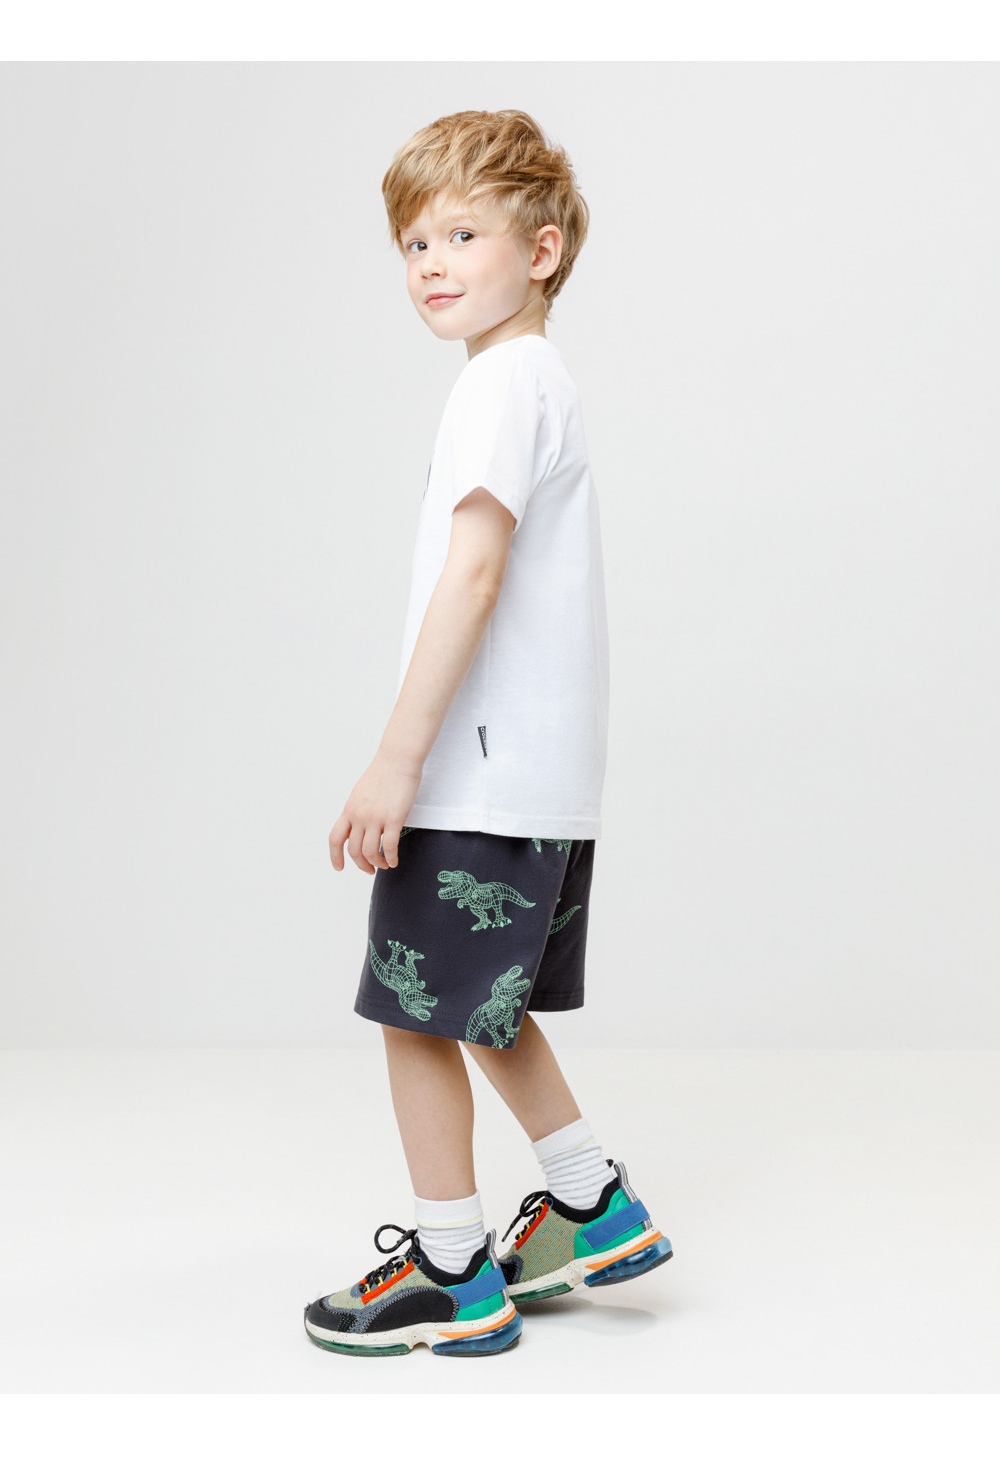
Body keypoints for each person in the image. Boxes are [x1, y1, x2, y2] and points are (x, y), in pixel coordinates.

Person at [303, 109, 672, 1358]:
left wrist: (394, 761)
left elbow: (472, 576)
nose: (430, 264)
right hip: (535, 774)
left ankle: (451, 1271)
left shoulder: (498, 385)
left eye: (462, 235)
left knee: (414, 1011)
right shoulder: (540, 381)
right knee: (475, 1003)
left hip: (475, 772)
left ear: (543, 249)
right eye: (413, 244)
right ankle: (588, 1201)